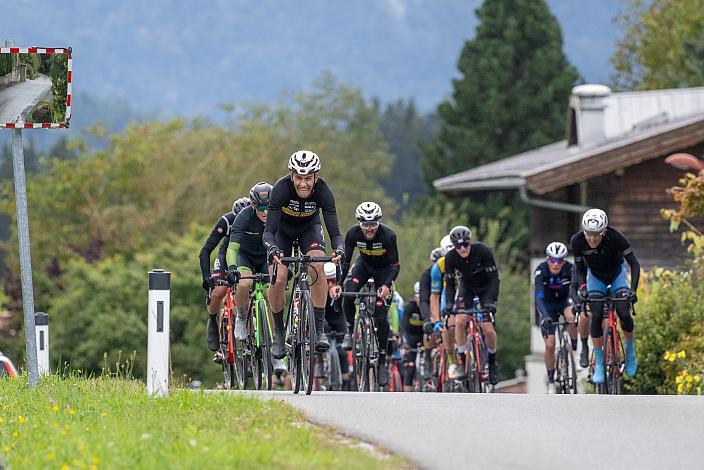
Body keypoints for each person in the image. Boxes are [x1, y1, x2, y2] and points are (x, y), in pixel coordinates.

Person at [264, 150, 345, 360]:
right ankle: (279, 333)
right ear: (292, 176)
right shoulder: (280, 189)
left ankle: (319, 331)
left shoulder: (324, 192)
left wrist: (339, 249)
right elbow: (269, 232)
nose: (303, 184)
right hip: (282, 232)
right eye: (298, 178)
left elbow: (335, 232)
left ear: (316, 177)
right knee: (279, 278)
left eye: (308, 178)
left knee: (317, 266)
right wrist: (272, 249)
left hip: (310, 229)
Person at [571, 208, 640, 384]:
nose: (592, 238)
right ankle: (600, 364)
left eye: (596, 234)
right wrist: (583, 287)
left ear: (604, 232)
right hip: (596, 277)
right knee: (594, 313)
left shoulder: (616, 237)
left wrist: (632, 290)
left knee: (624, 312)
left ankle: (630, 351)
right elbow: (579, 269)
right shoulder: (577, 241)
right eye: (588, 234)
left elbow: (634, 264)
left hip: (616, 274)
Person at [224, 182, 286, 374]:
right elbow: (232, 248)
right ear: (252, 205)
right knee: (244, 283)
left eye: (268, 207)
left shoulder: (279, 215)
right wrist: (233, 268)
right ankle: (241, 318)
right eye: (260, 208)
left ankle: (277, 353)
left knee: (272, 295)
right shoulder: (243, 217)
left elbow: (288, 241)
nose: (265, 212)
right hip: (246, 257)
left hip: (266, 258)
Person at [337, 201, 400, 387]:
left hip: (384, 272)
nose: (370, 229)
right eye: (365, 224)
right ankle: (350, 331)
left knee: (380, 317)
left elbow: (396, 266)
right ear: (359, 223)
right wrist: (340, 284)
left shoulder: (388, 235)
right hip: (363, 266)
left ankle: (381, 362)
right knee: (348, 294)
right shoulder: (353, 234)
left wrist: (387, 286)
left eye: (373, 224)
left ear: (379, 222)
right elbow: (346, 263)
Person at [444, 225, 501, 385]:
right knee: (460, 320)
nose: (462, 249)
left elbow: (494, 279)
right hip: (467, 288)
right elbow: (449, 284)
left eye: (465, 244)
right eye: (458, 246)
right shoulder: (451, 257)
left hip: (486, 289)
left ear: (470, 242)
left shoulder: (483, 251)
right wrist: (449, 304)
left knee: (488, 329)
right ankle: (461, 360)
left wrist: (491, 301)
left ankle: (492, 361)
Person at [198, 196, 250, 351]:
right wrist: (206, 277)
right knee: (218, 292)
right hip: (226, 254)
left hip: (247, 256)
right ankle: (212, 321)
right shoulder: (226, 221)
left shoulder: (258, 219)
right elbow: (205, 251)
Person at [534, 241, 587, 393]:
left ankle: (575, 352)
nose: (556, 264)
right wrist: (544, 315)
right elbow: (538, 297)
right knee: (550, 345)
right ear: (547, 259)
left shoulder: (570, 269)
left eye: (560, 260)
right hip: (547, 305)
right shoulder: (541, 271)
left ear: (564, 260)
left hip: (565, 301)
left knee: (571, 316)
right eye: (553, 260)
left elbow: (576, 290)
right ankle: (551, 380)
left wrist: (578, 306)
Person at [322, 262, 351, 389]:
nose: (329, 285)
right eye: (327, 281)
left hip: (339, 319)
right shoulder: (318, 288)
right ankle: (320, 365)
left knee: (342, 351)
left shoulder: (340, 286)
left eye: (332, 281)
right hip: (324, 320)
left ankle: (346, 382)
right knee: (319, 344)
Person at [400, 282, 425, 391]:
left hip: (423, 335)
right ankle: (407, 394)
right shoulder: (410, 306)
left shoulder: (426, 305)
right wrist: (405, 343)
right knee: (410, 368)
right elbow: (404, 325)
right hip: (411, 337)